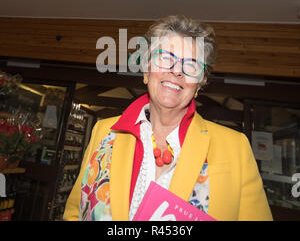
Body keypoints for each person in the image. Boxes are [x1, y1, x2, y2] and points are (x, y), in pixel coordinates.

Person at [63, 14, 272, 221]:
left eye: (191, 65)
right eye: (165, 58)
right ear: (146, 69)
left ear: (200, 82)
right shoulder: (104, 131)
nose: (176, 71)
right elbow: (74, 213)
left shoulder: (236, 147)